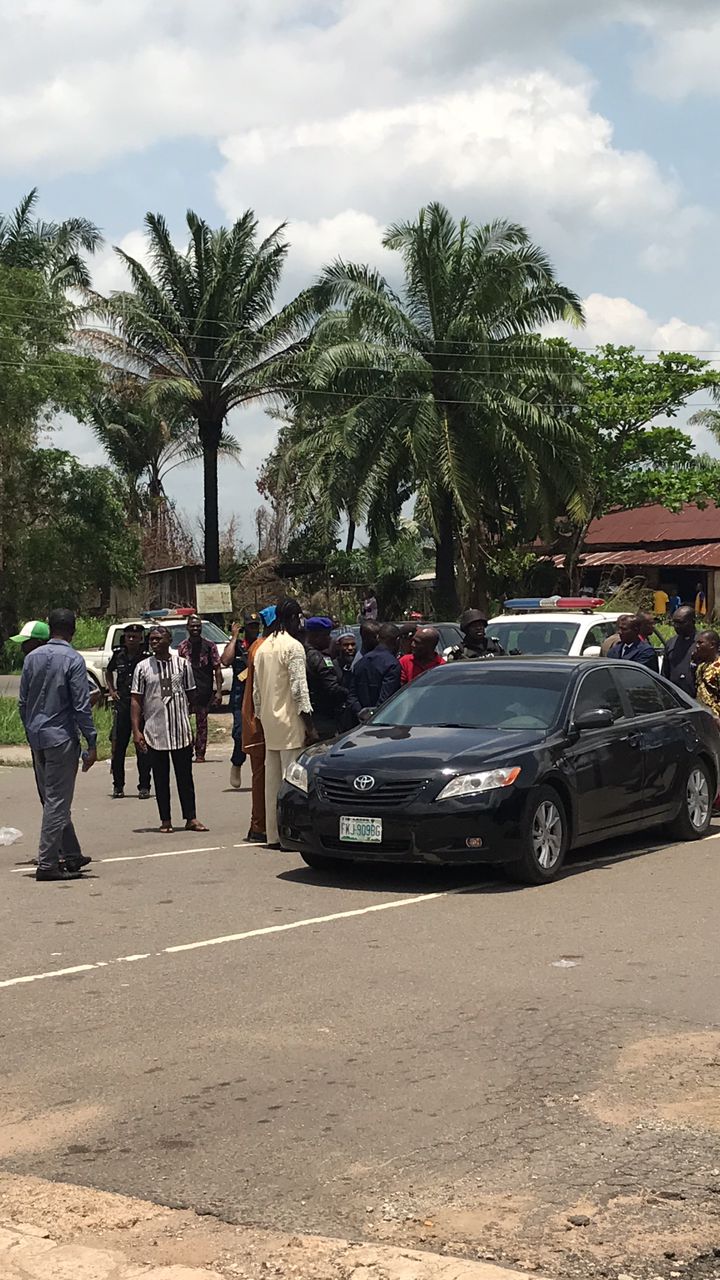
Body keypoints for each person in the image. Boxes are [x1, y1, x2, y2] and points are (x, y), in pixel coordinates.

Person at [18, 608, 96, 882]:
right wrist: (92, 741)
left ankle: (72, 853)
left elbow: (22, 702)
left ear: (50, 629)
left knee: (52, 798)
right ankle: (48, 863)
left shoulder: (32, 659)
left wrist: (30, 732)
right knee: (57, 802)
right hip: (61, 738)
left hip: (38, 737)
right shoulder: (73, 659)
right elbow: (81, 706)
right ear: (73, 630)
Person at [252, 599, 317, 848]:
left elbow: (257, 693)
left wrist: (260, 719)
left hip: (270, 722)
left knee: (272, 784)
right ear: (294, 618)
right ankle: (292, 835)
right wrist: (310, 726)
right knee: (293, 784)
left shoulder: (262, 648)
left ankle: (273, 834)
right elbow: (300, 690)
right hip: (291, 723)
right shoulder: (293, 647)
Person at [131, 626, 208, 834]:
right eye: (151, 639)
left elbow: (191, 696)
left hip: (180, 731)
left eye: (158, 638)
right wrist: (136, 730)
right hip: (155, 732)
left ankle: (191, 817)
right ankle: (165, 820)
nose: (154, 642)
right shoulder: (143, 667)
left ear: (169, 639)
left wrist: (187, 721)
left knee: (185, 778)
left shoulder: (182, 665)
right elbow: (136, 700)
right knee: (160, 778)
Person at [106, 623, 152, 800]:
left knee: (142, 748)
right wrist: (111, 690)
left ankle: (144, 786)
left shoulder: (147, 656)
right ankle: (118, 786)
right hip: (123, 705)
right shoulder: (118, 655)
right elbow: (109, 672)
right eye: (128, 637)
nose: (131, 640)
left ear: (141, 638)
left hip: (142, 706)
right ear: (124, 638)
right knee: (119, 748)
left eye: (135, 637)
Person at [241, 605, 275, 843]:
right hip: (260, 724)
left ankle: (260, 824)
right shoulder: (263, 648)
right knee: (263, 777)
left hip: (257, 721)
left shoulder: (257, 646)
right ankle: (260, 825)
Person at [221, 613, 261, 790]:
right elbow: (225, 660)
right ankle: (237, 763)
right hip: (240, 698)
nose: (253, 629)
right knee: (239, 734)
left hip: (259, 697)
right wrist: (234, 636)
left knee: (260, 735)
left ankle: (260, 772)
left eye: (256, 626)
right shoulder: (238, 646)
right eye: (250, 626)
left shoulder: (262, 645)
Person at [177, 615, 223, 763]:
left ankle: (200, 753)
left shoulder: (210, 646)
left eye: (198, 626)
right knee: (185, 723)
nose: (195, 628)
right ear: (187, 628)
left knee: (202, 724)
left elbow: (217, 669)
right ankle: (187, 750)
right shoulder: (182, 647)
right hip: (186, 692)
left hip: (204, 690)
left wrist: (219, 691)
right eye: (192, 626)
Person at [305, 616, 350, 740]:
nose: (330, 639)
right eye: (326, 636)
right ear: (316, 636)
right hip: (325, 719)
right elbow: (332, 688)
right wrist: (349, 694)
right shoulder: (319, 659)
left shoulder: (302, 652)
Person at [350, 622, 401, 714]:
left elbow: (352, 695)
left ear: (378, 638)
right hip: (382, 718)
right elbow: (386, 699)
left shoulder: (361, 661)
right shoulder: (392, 664)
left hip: (361, 720)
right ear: (397, 640)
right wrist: (373, 715)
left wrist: (360, 712)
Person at [661, 605, 697, 697]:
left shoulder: (702, 643)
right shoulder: (671, 643)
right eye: (674, 622)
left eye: (681, 623)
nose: (676, 626)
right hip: (675, 698)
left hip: (696, 699)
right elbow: (665, 673)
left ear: (692, 621)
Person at [693, 630, 720, 718]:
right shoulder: (702, 666)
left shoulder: (718, 667)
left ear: (712, 645)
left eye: (701, 643)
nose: (697, 646)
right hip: (704, 718)